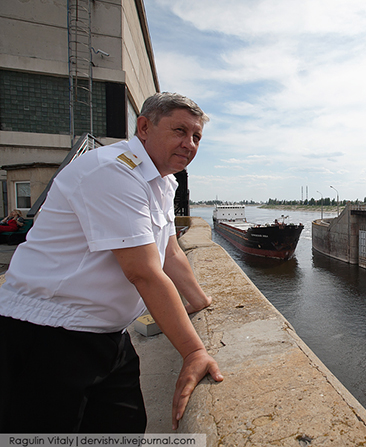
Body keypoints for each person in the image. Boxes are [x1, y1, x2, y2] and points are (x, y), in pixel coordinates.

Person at [0, 92, 222, 433]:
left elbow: (170, 253)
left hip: (106, 335)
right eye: (180, 131)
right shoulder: (113, 172)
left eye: (196, 137)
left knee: (125, 428)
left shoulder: (161, 181)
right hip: (47, 336)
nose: (189, 143)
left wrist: (199, 300)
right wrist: (194, 351)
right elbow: (143, 272)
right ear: (144, 127)